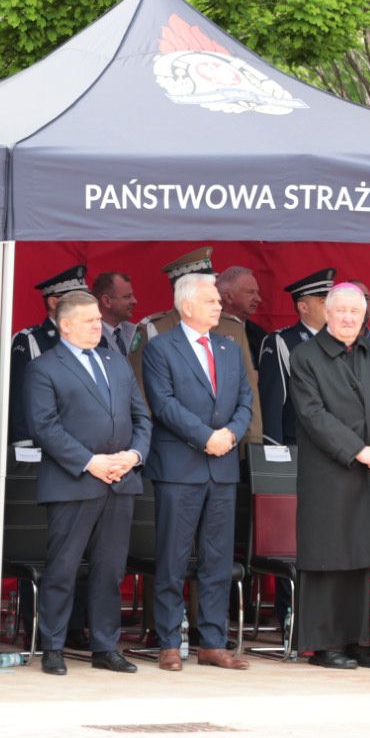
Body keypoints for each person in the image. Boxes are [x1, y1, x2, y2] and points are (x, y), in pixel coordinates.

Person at [25, 290, 151, 676]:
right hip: (73, 482)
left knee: (110, 570)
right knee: (63, 569)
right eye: (89, 320)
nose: (99, 326)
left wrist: (134, 456)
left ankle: (105, 646)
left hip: (120, 480)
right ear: (65, 325)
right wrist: (90, 462)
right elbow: (44, 426)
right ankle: (53, 646)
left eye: (98, 319)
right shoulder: (45, 367)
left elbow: (142, 417)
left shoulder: (116, 361)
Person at [290, 284, 370, 669]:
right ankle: (326, 645)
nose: (347, 318)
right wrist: (359, 450)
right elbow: (313, 414)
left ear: (364, 316)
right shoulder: (306, 356)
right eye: (340, 311)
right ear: (326, 313)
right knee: (332, 556)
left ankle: (364, 641)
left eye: (354, 312)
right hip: (332, 473)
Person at [139, 272, 252, 671]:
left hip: (222, 467)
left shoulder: (228, 347)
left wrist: (231, 434)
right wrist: (206, 437)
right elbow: (164, 403)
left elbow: (245, 400)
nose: (219, 305)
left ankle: (213, 642)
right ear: (187, 306)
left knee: (216, 559)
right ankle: (170, 641)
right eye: (211, 301)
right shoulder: (160, 347)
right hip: (179, 466)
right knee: (173, 557)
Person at [128, 247, 262, 443]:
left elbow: (248, 391)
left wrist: (252, 442)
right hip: (173, 445)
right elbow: (140, 393)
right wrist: (144, 444)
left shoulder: (231, 327)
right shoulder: (154, 328)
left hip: (227, 444)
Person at [8, 265, 87, 444]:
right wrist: (24, 446)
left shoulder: (96, 338)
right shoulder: (30, 340)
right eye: (78, 300)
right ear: (53, 303)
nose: (86, 306)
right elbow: (20, 399)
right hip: (48, 444)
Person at [257, 267, 334, 446]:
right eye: (324, 301)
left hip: (338, 444)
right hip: (300, 444)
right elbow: (272, 402)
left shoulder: (341, 340)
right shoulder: (282, 341)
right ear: (303, 307)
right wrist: (274, 449)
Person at [217, 265, 267, 363]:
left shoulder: (259, 335)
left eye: (257, 292)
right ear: (229, 297)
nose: (258, 299)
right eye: (250, 292)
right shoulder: (204, 330)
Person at [93, 271, 139, 356]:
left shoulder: (136, 331)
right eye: (127, 297)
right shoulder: (87, 337)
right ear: (107, 301)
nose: (134, 301)